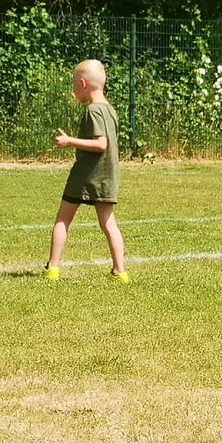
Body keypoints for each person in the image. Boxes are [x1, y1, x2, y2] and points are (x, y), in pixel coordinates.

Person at [44, 59, 129, 283]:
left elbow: (101, 144)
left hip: (85, 175)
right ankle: (120, 271)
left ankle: (53, 268)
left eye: (74, 85)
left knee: (63, 218)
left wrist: (69, 141)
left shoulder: (93, 110)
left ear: (82, 84)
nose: (73, 90)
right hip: (107, 176)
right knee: (108, 222)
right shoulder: (110, 110)